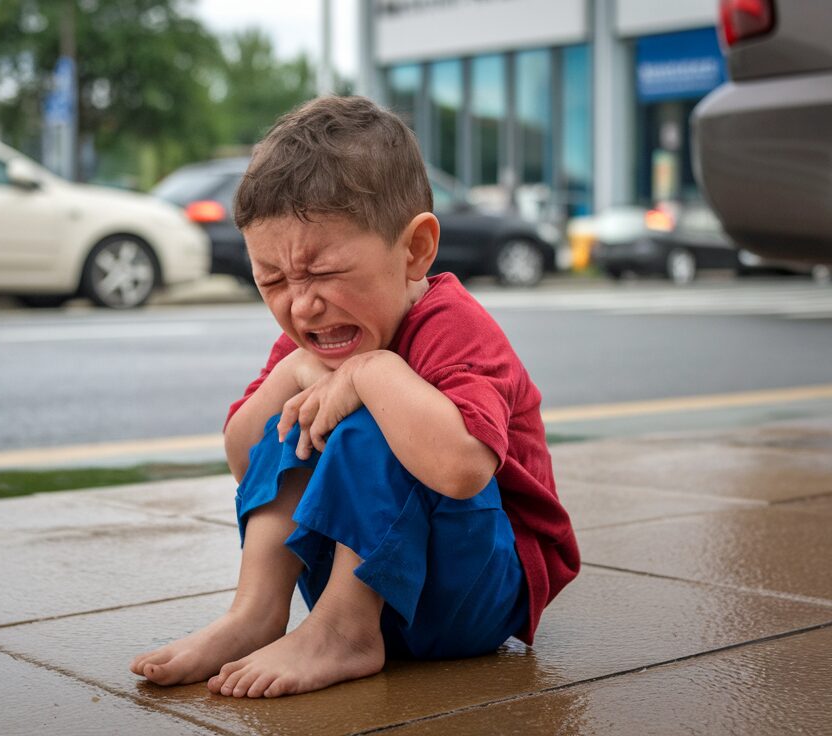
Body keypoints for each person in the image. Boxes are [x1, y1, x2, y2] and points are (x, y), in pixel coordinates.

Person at [130, 96, 579, 699]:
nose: (301, 303)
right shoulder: (310, 341)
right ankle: (256, 614)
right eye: (273, 280)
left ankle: (343, 630)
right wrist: (293, 374)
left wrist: (371, 372)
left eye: (325, 272)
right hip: (382, 580)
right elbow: (244, 457)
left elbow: (464, 468)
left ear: (415, 251)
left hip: (477, 589)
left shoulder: (454, 325)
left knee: (375, 417)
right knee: (289, 420)